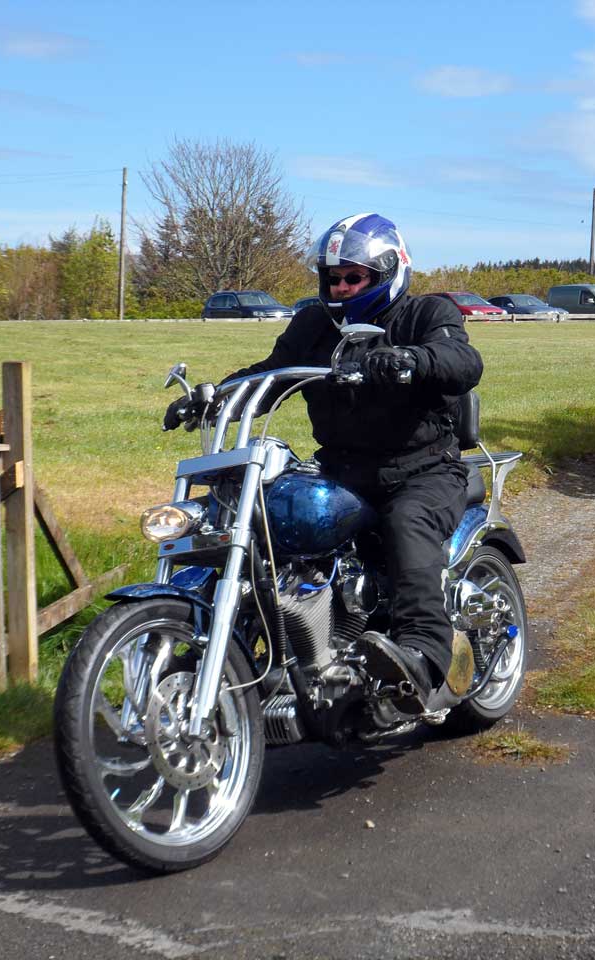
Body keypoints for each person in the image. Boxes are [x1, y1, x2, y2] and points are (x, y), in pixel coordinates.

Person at [163, 213, 483, 714]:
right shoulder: (314, 323)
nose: (341, 287)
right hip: (341, 473)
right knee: (274, 523)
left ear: (386, 272)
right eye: (332, 278)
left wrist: (410, 360)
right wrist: (214, 396)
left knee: (407, 524)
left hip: (421, 473)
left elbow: (462, 362)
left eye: (353, 277)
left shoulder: (427, 313)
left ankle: (423, 657)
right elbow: (270, 375)